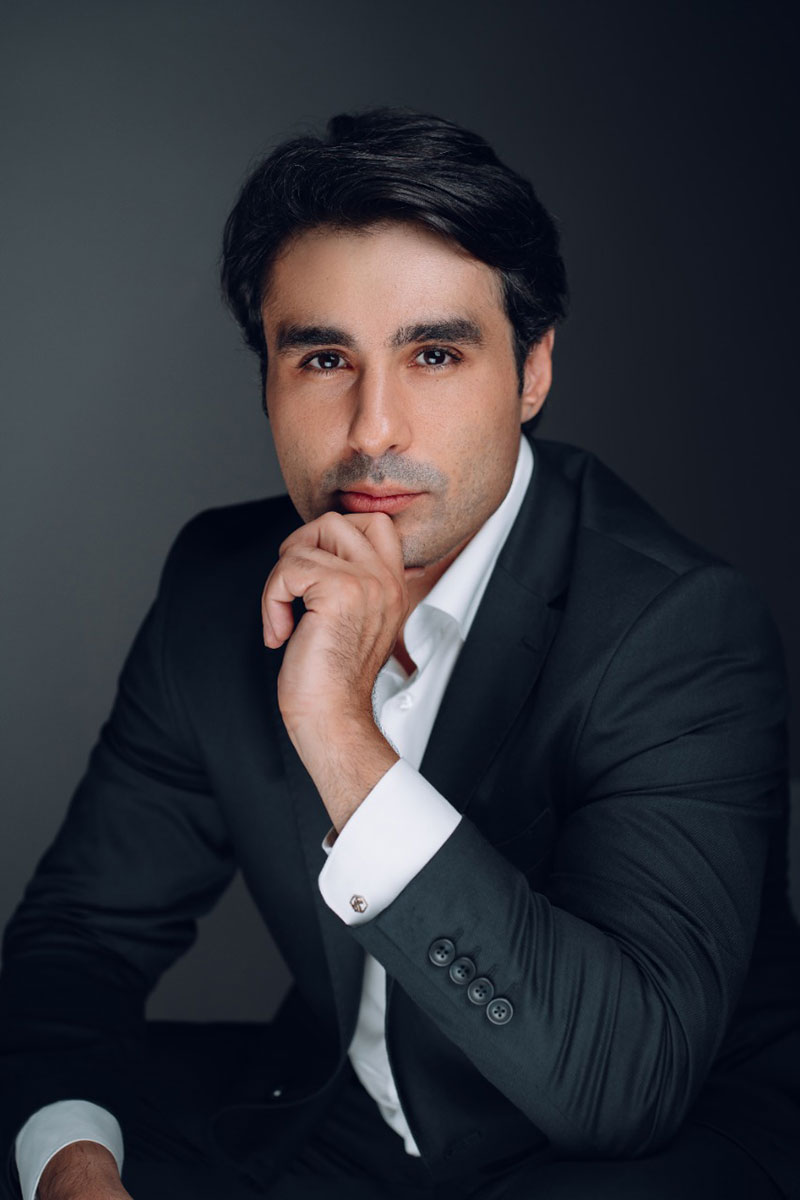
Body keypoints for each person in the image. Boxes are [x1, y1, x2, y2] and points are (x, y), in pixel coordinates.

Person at [1, 107, 798, 1200]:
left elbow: (622, 1084)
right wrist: (72, 1171)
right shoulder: (218, 584)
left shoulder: (679, 627)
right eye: (324, 357)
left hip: (634, 1152)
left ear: (531, 372)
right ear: (268, 380)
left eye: (433, 354)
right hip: (339, 1125)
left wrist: (337, 730)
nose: (373, 428)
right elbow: (79, 944)